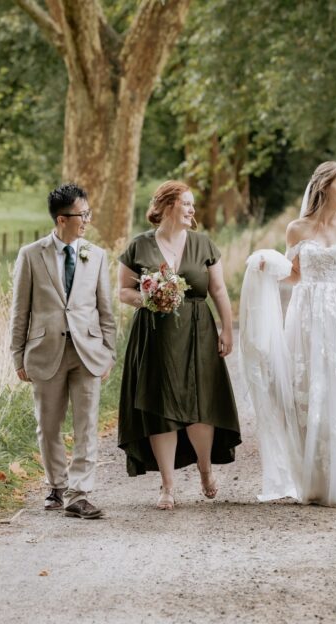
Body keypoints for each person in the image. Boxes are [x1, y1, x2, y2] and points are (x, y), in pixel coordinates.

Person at [239, 161, 336, 506]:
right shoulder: (296, 229)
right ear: (324, 186)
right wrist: (268, 268)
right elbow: (294, 274)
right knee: (303, 391)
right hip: (305, 314)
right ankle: (313, 479)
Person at [117, 181, 241, 510]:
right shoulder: (139, 246)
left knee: (201, 405)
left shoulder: (203, 244)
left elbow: (218, 291)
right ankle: (168, 486)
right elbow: (123, 292)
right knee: (161, 408)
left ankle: (205, 471)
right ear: (167, 206)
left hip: (198, 330)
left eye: (192, 205)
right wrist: (148, 298)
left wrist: (226, 329)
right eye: (185, 204)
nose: (191, 210)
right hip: (154, 335)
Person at [9, 183, 115, 519]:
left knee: (86, 424)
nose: (86, 220)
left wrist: (108, 351)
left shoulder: (96, 255)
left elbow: (105, 310)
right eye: (80, 215)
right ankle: (57, 484)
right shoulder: (31, 255)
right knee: (49, 424)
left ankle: (79, 493)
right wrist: (17, 355)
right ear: (60, 219)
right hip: (44, 351)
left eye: (88, 213)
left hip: (88, 351)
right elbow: (19, 310)